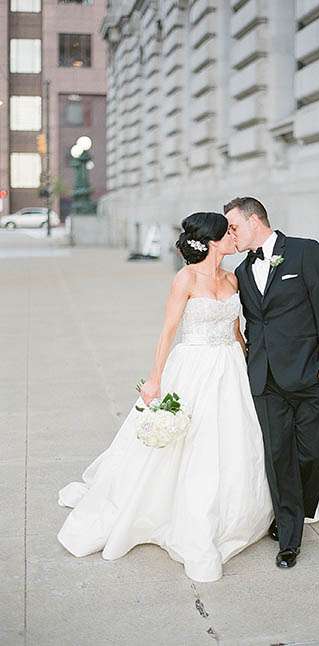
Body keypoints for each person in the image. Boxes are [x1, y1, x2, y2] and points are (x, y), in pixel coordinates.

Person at [57, 212, 273, 582]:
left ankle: (236, 509)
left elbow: (236, 329)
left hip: (230, 368)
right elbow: (168, 331)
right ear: (211, 242)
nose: (233, 237)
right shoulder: (185, 279)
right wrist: (155, 379)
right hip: (192, 367)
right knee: (191, 442)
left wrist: (251, 358)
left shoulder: (233, 278)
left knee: (235, 441)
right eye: (228, 234)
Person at [224, 197, 319, 569]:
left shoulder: (305, 252)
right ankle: (288, 537)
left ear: (255, 220)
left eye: (234, 227)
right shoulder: (243, 271)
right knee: (278, 458)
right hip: (265, 378)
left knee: (313, 452)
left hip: (310, 374)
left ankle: (300, 509)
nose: (231, 234)